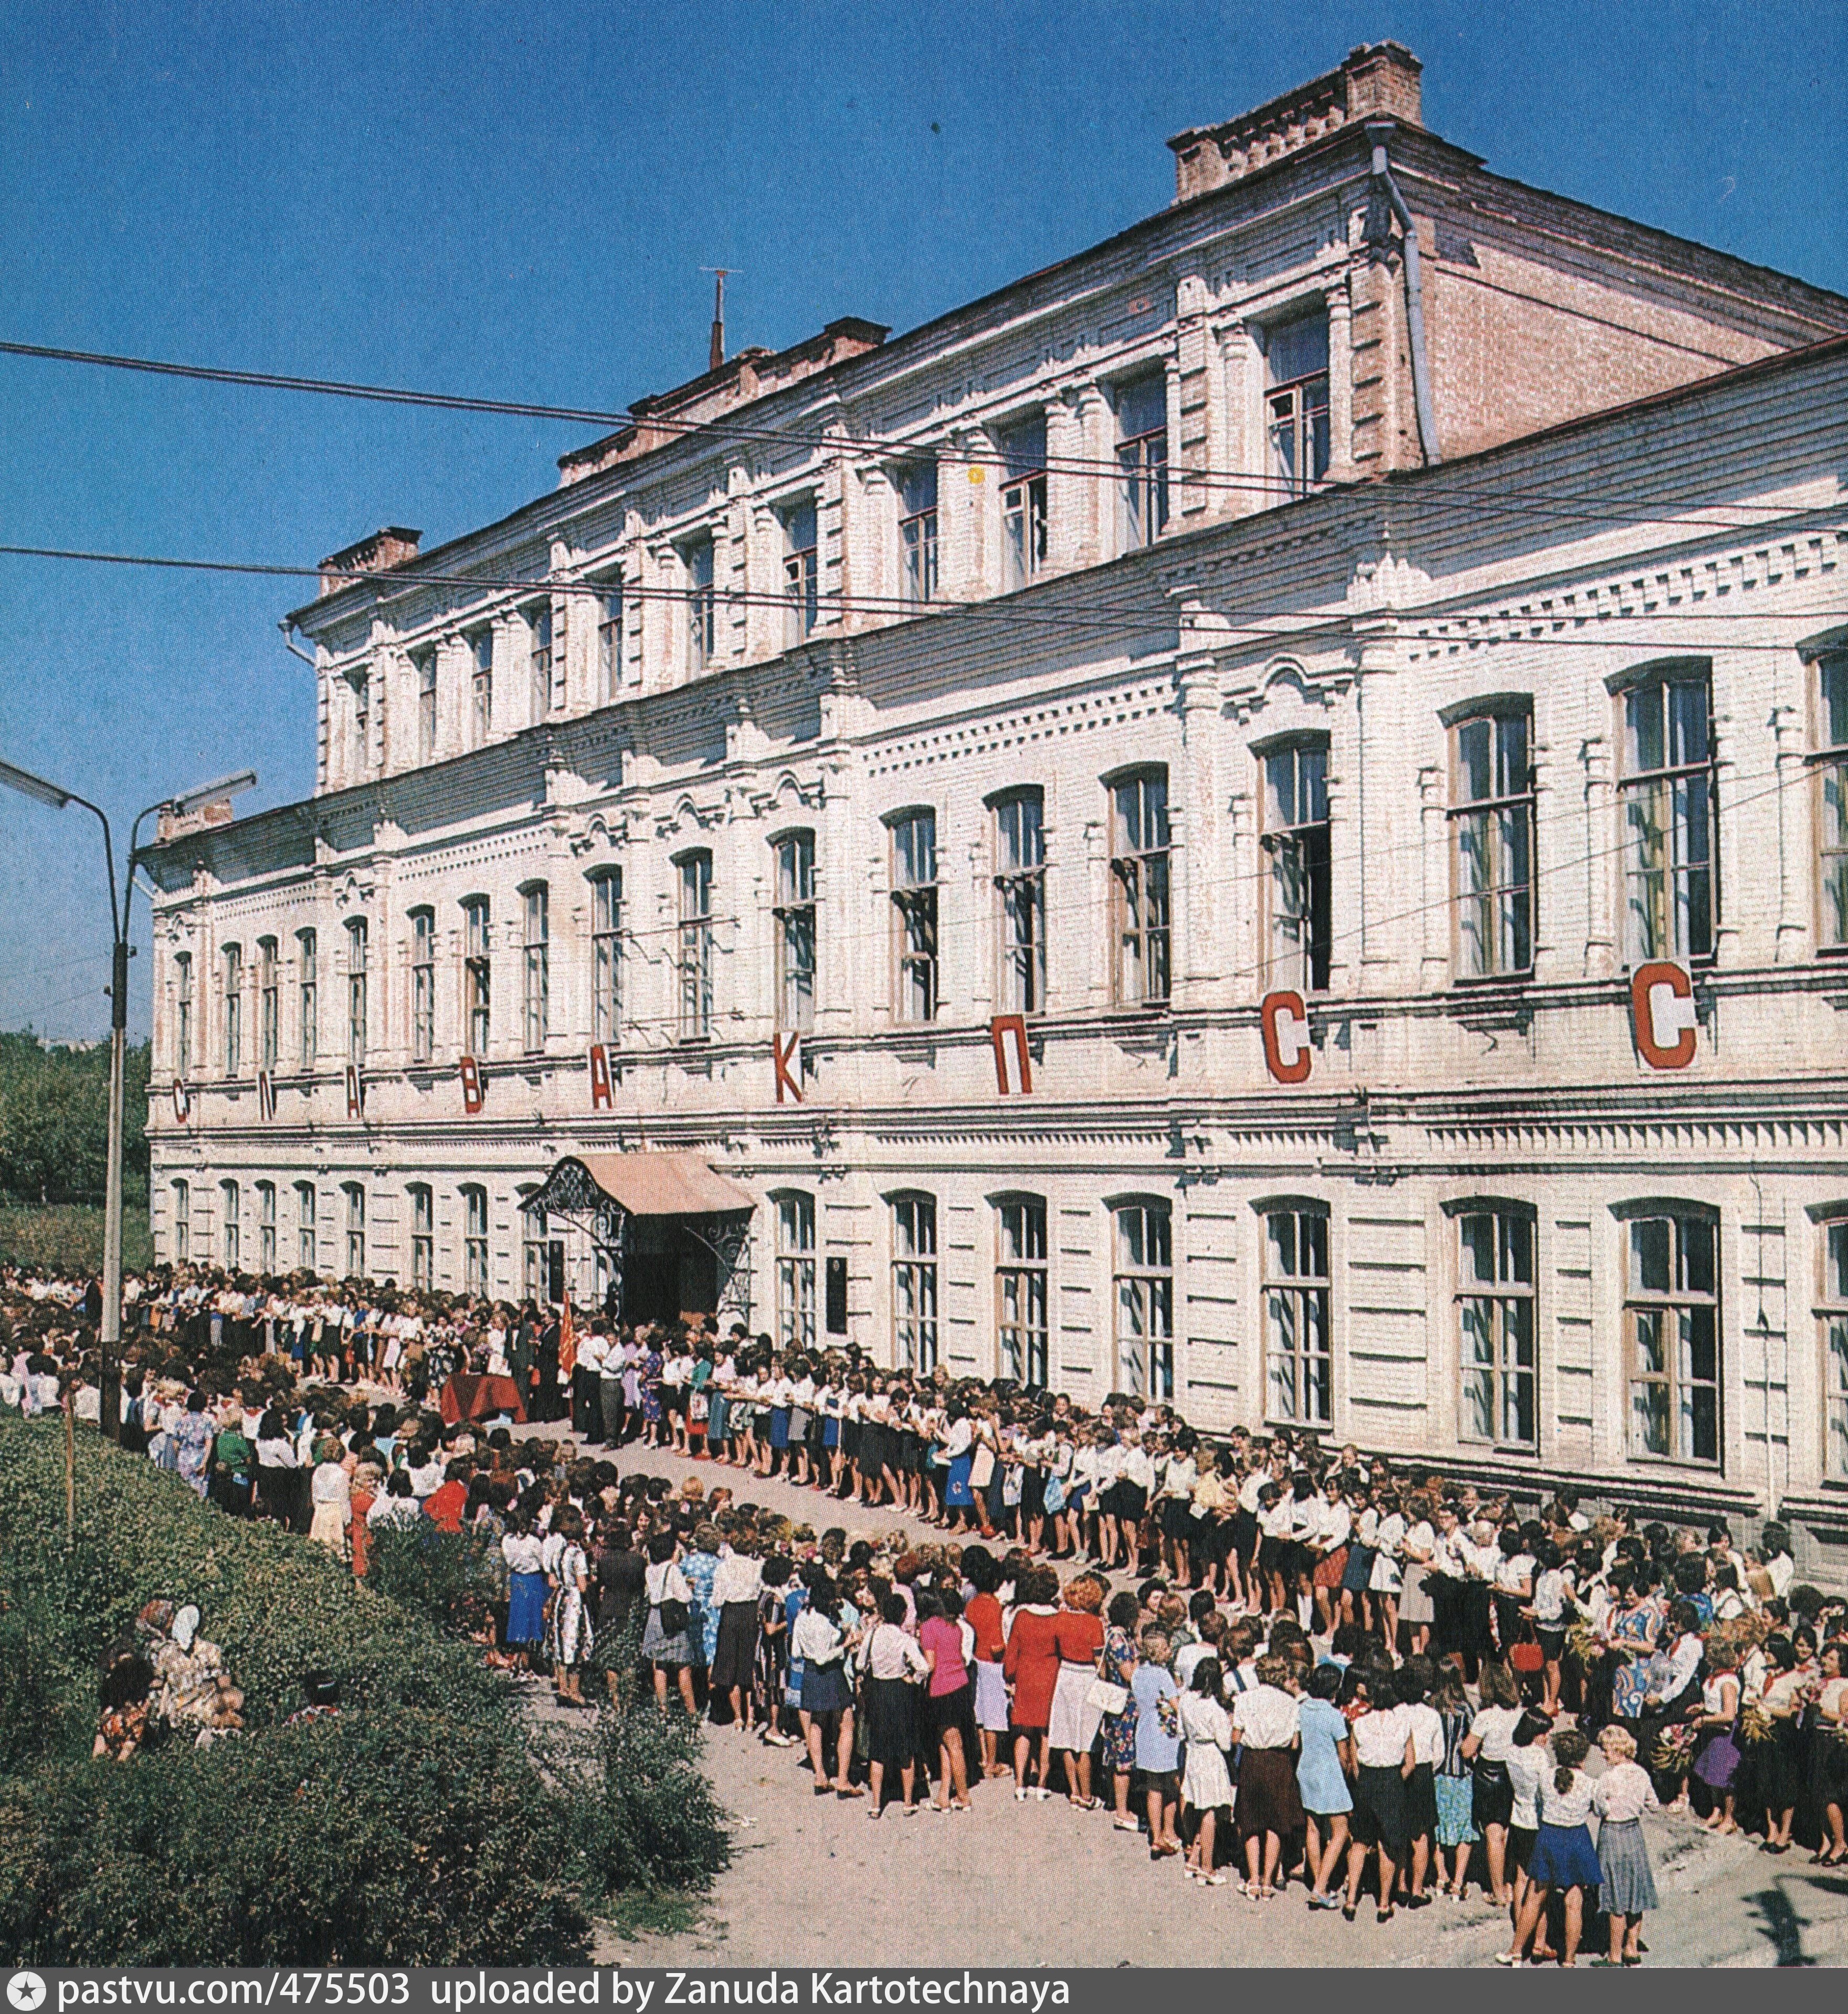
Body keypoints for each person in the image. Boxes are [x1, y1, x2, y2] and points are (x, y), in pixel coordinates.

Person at [1499, 1727, 1602, 1967]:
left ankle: (1516, 1951)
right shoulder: (1589, 1783)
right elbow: (1596, 1810)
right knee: (1573, 1901)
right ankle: (1569, 1959)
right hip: (1577, 1838)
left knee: (1535, 1897)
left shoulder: (1546, 1776)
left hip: (1549, 1836)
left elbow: (1539, 1801)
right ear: (1582, 1757)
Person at [1344, 1669, 1413, 1924]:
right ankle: (1384, 1903)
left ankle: (1351, 1900)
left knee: (1360, 1842)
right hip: (1391, 1781)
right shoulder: (1403, 1724)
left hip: (1368, 1781)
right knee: (1388, 1845)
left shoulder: (1359, 1724)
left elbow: (1355, 1763)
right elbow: (1411, 1763)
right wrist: (1395, 1781)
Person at [1231, 1652, 1302, 1901]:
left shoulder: (1244, 1700)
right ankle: (1268, 1880)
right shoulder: (1291, 1703)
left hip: (1253, 1760)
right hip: (1279, 1762)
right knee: (1276, 1821)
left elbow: (1236, 1737)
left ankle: (1252, 1879)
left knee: (1251, 1820)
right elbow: (1294, 1743)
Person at [1591, 1725, 1659, 1966]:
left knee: (1615, 1897)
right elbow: (1653, 1803)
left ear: (1617, 1749)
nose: (1602, 1754)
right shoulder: (1641, 1774)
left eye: (1605, 1749)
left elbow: (1600, 1809)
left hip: (1612, 1835)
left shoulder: (1607, 1778)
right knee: (1635, 1890)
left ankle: (1615, 1955)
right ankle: (1632, 1948)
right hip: (1634, 1834)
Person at [861, 1591, 928, 1817]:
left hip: (878, 1690)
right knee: (905, 1748)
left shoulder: (872, 1635)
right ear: (902, 1615)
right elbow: (923, 1667)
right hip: (899, 1691)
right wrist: (912, 1679)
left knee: (878, 1749)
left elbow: (861, 1664)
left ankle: (876, 1803)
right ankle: (908, 1801)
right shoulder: (904, 1639)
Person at [1002, 1565, 1063, 1800]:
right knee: (1046, 1732)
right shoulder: (1058, 1618)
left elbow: (1012, 1651)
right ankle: (1042, 1784)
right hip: (1050, 1674)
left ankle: (1020, 1784)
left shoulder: (1022, 1616)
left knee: (1023, 1730)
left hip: (1026, 1674)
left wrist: (1010, 1676)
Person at [1296, 1661, 1353, 1908]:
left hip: (1306, 1771)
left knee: (1313, 1828)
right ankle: (1321, 1887)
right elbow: (1344, 1757)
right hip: (1329, 1775)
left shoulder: (1303, 1709)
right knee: (1340, 1830)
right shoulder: (1334, 1717)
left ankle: (1317, 1879)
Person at [1177, 1657, 1234, 1886]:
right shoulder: (1215, 1708)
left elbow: (1181, 1732)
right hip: (1211, 1756)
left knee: (1197, 1806)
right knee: (1210, 1812)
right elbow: (1226, 1744)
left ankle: (1194, 1858)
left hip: (1193, 1754)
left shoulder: (1185, 1700)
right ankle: (1207, 1868)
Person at [918, 1586, 974, 1812]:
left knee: (953, 1745)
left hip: (941, 1689)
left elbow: (929, 1664)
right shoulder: (957, 1628)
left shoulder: (929, 1627)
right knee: (947, 1744)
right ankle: (944, 1794)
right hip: (960, 1686)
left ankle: (963, 1796)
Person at [641, 1530, 699, 1714]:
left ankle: (663, 1709)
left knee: (660, 1665)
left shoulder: (650, 1570)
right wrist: (690, 1587)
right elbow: (684, 1597)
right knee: (683, 1666)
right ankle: (691, 1711)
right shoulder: (672, 1570)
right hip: (671, 1618)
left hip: (654, 1617)